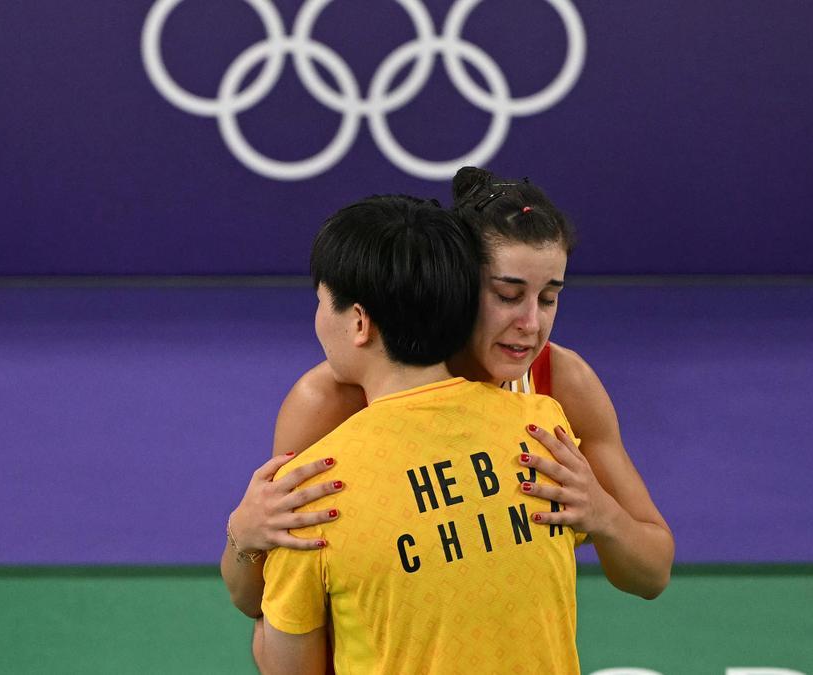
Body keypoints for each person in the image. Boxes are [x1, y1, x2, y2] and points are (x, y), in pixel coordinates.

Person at [221, 167, 673, 631]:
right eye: (507, 295)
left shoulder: (560, 382)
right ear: (457, 282)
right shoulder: (331, 401)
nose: (531, 323)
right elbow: (264, 606)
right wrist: (243, 536)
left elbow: (653, 573)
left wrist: (604, 516)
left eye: (548, 299)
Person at [255, 193, 582, 673]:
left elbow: (286, 665)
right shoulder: (543, 428)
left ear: (360, 322)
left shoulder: (311, 491)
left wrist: (246, 547)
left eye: (322, 302)